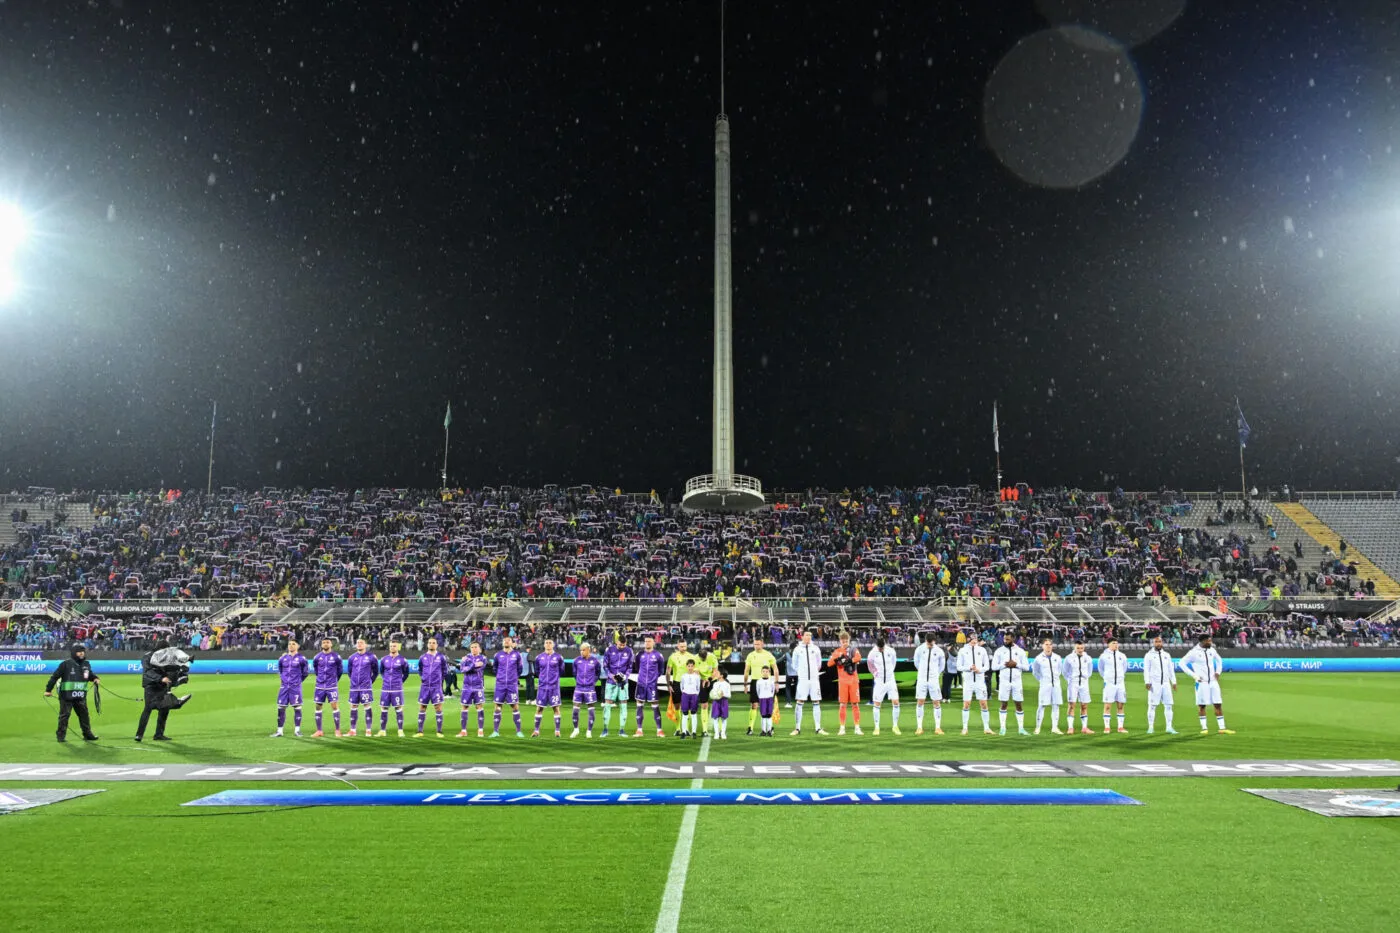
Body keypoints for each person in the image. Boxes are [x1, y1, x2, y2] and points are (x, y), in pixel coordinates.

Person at [134, 641, 189, 742]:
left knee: (164, 709)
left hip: (163, 685)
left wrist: (181, 672)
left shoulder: (165, 656)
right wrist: (161, 678)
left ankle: (158, 734)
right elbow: (148, 671)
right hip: (151, 685)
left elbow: (172, 668)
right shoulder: (147, 657)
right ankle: (139, 735)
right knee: (148, 708)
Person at [44, 643, 100, 743]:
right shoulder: (65, 664)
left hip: (80, 696)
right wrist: (48, 690)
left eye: (83, 652)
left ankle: (87, 734)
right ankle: (61, 736)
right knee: (64, 716)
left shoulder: (86, 664)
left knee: (84, 716)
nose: (82, 653)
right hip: (66, 696)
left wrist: (95, 678)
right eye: (79, 652)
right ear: (74, 653)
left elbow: (89, 675)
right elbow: (54, 677)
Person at [1180, 634, 1234, 734]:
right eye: (1209, 641)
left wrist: (1218, 672)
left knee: (1218, 704)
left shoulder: (1211, 650)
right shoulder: (1193, 652)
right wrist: (1194, 675)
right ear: (1203, 641)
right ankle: (1204, 728)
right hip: (1202, 683)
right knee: (1202, 705)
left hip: (1213, 682)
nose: (1210, 642)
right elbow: (1181, 663)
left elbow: (1219, 660)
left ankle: (1222, 728)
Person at [992, 631, 1031, 736]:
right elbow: (993, 667)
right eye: (1004, 639)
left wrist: (1016, 664)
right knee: (1003, 704)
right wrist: (1005, 665)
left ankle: (1021, 729)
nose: (1005, 641)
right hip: (1004, 682)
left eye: (1008, 639)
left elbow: (1027, 667)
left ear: (1013, 639)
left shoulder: (1020, 651)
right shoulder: (999, 651)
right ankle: (1002, 728)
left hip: (1017, 682)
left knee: (1018, 704)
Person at [271, 639, 310, 737]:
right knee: (281, 708)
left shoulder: (302, 659)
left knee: (297, 707)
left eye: (293, 644)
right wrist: (284, 680)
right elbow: (280, 671)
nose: (291, 645)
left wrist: (297, 681)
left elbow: (305, 673)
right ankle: (279, 731)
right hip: (284, 687)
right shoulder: (282, 658)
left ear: (298, 646)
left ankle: (297, 730)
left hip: (295, 687)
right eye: (289, 644)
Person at [790, 630, 826, 736]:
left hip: (814, 680)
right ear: (802, 636)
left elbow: (819, 664)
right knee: (799, 701)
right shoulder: (797, 649)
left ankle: (818, 728)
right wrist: (802, 673)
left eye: (810, 635)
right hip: (803, 679)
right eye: (806, 635)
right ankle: (797, 728)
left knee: (816, 701)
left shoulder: (816, 648)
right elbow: (794, 664)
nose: (808, 637)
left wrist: (814, 673)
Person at [957, 633, 993, 735]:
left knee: (984, 704)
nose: (974, 640)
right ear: (968, 639)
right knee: (966, 704)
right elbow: (959, 667)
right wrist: (969, 668)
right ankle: (965, 728)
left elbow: (987, 666)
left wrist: (979, 670)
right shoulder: (962, 650)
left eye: (975, 638)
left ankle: (987, 728)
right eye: (972, 638)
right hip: (968, 682)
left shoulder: (982, 650)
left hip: (980, 681)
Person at [828, 631, 863, 736]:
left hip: (853, 680)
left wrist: (849, 660)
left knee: (855, 704)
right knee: (842, 704)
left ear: (849, 640)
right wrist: (837, 659)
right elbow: (829, 663)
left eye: (846, 641)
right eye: (843, 641)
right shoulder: (837, 651)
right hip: (843, 681)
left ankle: (857, 727)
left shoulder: (853, 649)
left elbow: (859, 658)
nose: (845, 643)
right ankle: (842, 728)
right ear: (840, 641)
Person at [1142, 635, 1178, 735]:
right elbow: (1146, 670)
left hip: (1166, 684)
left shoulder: (1166, 655)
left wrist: (1173, 682)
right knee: (1152, 706)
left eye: (1160, 642)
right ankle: (1150, 727)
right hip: (1155, 684)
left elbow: (1171, 669)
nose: (1158, 643)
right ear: (1153, 643)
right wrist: (1147, 681)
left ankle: (1169, 727)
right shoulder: (1149, 655)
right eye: (1156, 642)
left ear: (1162, 643)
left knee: (1169, 706)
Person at [913, 631, 946, 736]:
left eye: (931, 643)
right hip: (922, 679)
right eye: (928, 643)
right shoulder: (919, 649)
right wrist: (922, 672)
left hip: (933, 680)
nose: (929, 645)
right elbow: (916, 662)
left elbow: (942, 666)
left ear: (934, 641)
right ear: (926, 641)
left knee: (936, 702)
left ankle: (938, 728)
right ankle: (919, 727)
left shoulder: (939, 651)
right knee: (920, 701)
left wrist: (935, 674)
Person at [601, 631, 634, 738]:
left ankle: (622, 730)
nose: (622, 647)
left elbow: (630, 667)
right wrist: (611, 676)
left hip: (623, 683)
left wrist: (625, 676)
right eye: (620, 645)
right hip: (611, 682)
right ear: (616, 642)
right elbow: (605, 666)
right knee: (607, 704)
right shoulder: (609, 650)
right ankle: (605, 729)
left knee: (623, 704)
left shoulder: (629, 651)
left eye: (624, 645)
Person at [743, 636, 778, 736]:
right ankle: (750, 727)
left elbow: (775, 669)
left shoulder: (768, 654)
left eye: (758, 644)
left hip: (767, 683)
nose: (756, 646)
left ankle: (770, 727)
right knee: (754, 705)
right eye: (755, 644)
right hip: (755, 681)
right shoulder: (750, 655)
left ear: (762, 644)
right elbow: (746, 670)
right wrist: (745, 684)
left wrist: (776, 682)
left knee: (768, 705)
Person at [491, 635, 525, 738]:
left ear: (512, 643)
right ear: (502, 643)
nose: (506, 642)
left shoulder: (517, 655)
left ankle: (518, 731)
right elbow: (495, 668)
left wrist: (513, 678)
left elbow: (520, 669)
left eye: (508, 640)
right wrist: (500, 677)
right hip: (500, 685)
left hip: (512, 685)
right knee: (497, 707)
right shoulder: (498, 655)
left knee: (515, 706)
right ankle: (495, 731)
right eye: (504, 640)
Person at [415, 637, 449, 737]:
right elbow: (420, 670)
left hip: (436, 687)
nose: (431, 644)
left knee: (438, 707)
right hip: (425, 687)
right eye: (430, 642)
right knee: (422, 707)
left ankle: (439, 731)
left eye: (433, 643)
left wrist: (439, 681)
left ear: (437, 645)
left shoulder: (441, 657)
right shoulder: (422, 657)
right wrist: (423, 678)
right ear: (427, 644)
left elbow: (445, 671)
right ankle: (420, 731)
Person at [633, 636, 666, 737]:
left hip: (652, 684)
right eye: (646, 641)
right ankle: (639, 730)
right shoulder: (639, 655)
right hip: (641, 684)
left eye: (649, 641)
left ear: (653, 643)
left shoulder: (658, 655)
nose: (647, 643)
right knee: (639, 705)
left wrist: (654, 678)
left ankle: (659, 730)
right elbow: (637, 667)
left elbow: (661, 670)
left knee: (655, 706)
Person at [532, 638, 565, 737]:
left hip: (554, 687)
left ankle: (557, 731)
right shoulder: (539, 657)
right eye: (546, 643)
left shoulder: (559, 657)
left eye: (550, 643)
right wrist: (543, 679)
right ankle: (536, 731)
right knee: (539, 708)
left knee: (556, 708)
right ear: (544, 645)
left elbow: (562, 671)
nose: (548, 644)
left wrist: (554, 679)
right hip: (542, 687)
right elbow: (537, 671)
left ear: (553, 645)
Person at [868, 635, 900, 736]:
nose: (881, 649)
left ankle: (895, 726)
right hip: (880, 681)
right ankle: (877, 728)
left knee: (896, 701)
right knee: (877, 703)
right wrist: (876, 674)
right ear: (877, 646)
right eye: (879, 648)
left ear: (884, 645)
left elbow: (894, 663)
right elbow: (870, 666)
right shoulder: (872, 653)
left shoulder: (891, 651)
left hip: (891, 680)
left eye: (882, 648)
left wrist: (889, 673)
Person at [311, 637, 344, 738]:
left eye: (327, 642)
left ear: (331, 644)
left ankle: (337, 730)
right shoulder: (317, 657)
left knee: (334, 706)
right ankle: (319, 731)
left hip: (332, 686)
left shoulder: (336, 656)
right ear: (321, 645)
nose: (325, 644)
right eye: (324, 642)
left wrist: (334, 680)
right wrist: (320, 679)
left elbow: (340, 671)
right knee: (318, 706)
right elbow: (316, 670)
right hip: (320, 686)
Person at [345, 638, 378, 737]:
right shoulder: (352, 657)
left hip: (365, 687)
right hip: (354, 687)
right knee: (353, 706)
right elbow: (349, 672)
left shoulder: (372, 657)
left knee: (367, 706)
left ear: (365, 645)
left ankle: (368, 730)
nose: (359, 644)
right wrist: (353, 680)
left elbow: (376, 672)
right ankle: (352, 730)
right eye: (358, 643)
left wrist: (370, 681)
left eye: (361, 643)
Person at [378, 641, 411, 736]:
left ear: (398, 647)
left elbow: (406, 673)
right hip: (385, 688)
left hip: (397, 689)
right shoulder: (384, 659)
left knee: (398, 708)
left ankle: (400, 730)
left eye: (394, 646)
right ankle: (382, 731)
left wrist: (400, 682)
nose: (392, 647)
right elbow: (382, 672)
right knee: (384, 708)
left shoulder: (403, 660)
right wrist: (386, 680)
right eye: (391, 646)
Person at [1031, 639, 1063, 735]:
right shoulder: (1038, 658)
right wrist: (1042, 680)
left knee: (1056, 705)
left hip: (1056, 685)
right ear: (1042, 646)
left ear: (1052, 646)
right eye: (1046, 644)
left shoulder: (1057, 657)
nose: (1048, 646)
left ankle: (1055, 727)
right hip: (1045, 685)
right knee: (1042, 705)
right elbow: (1035, 672)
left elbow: (1059, 670)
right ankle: (1038, 727)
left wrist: (1055, 679)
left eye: (1050, 644)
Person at [1062, 641, 1095, 734]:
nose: (1080, 650)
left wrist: (1084, 678)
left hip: (1084, 683)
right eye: (1078, 648)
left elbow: (1089, 671)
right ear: (1075, 648)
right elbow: (1064, 672)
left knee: (1084, 705)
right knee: (1072, 705)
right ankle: (1070, 727)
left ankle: (1084, 728)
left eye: (1082, 648)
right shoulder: (1069, 658)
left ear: (1084, 648)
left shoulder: (1088, 658)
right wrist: (1071, 680)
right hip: (1073, 683)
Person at [571, 642, 603, 738]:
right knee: (575, 710)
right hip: (579, 688)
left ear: (588, 650)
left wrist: (593, 682)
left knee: (591, 710)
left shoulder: (595, 661)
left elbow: (598, 673)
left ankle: (589, 731)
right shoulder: (576, 661)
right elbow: (574, 673)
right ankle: (576, 729)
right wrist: (579, 681)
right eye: (580, 650)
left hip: (590, 688)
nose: (581, 652)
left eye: (583, 650)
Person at [1098, 638, 1129, 734]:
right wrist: (1107, 678)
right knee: (1107, 705)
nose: (1116, 644)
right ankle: (1107, 727)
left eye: (1116, 643)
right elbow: (1101, 669)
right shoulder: (1103, 656)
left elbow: (1124, 668)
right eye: (1113, 643)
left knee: (1121, 705)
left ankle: (1120, 727)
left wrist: (1120, 677)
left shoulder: (1122, 656)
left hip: (1120, 683)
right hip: (1109, 683)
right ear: (1108, 644)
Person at [458, 641, 487, 737]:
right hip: (466, 686)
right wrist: (474, 664)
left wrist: (468, 665)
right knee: (464, 707)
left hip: (478, 686)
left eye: (476, 647)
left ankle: (480, 730)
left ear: (479, 649)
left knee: (479, 707)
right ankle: (463, 731)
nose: (474, 649)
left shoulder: (483, 658)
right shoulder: (466, 657)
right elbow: (462, 670)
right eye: (472, 647)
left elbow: (479, 668)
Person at [665, 640, 694, 737]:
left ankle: (686, 729)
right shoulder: (672, 657)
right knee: (677, 706)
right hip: (677, 683)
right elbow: (668, 671)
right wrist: (668, 684)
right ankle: (678, 729)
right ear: (678, 646)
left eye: (685, 646)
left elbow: (695, 670)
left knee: (688, 707)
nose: (683, 648)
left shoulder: (691, 656)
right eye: (681, 646)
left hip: (688, 684)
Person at [678, 659, 703, 738]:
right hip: (685, 695)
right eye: (689, 666)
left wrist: (695, 693)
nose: (690, 668)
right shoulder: (683, 676)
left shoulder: (697, 676)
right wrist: (685, 693)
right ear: (686, 667)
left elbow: (698, 687)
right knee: (685, 713)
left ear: (694, 666)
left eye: (692, 666)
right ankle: (684, 732)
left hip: (694, 695)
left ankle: (694, 732)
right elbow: (681, 687)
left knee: (693, 713)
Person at [754, 665, 777, 736]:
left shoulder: (771, 681)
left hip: (769, 699)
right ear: (761, 672)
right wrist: (760, 697)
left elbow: (773, 690)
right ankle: (763, 731)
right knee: (763, 715)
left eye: (767, 671)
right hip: (762, 699)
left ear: (769, 672)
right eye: (763, 671)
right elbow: (758, 691)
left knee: (769, 715)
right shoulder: (759, 681)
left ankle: (769, 730)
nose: (765, 673)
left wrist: (771, 697)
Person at [709, 670, 731, 740]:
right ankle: (716, 733)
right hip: (716, 701)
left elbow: (729, 695)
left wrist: (723, 694)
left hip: (724, 701)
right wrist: (713, 695)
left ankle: (723, 733)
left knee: (724, 718)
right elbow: (713, 693)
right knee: (715, 718)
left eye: (718, 673)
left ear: (721, 675)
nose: (716, 674)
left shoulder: (727, 684)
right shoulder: (715, 684)